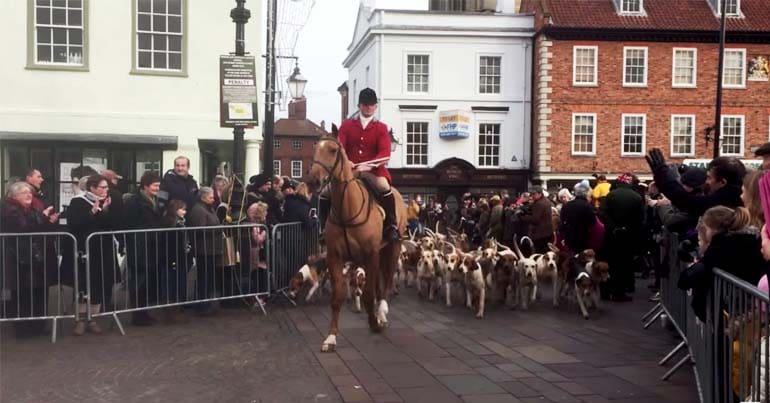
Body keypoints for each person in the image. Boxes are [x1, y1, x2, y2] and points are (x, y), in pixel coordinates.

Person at [318, 88, 400, 243]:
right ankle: (322, 228)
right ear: (359, 106)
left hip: (374, 171)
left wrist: (369, 166)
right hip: (350, 171)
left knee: (384, 187)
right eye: (365, 104)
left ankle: (391, 225)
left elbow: (384, 153)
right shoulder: (347, 125)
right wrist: (346, 161)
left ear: (376, 106)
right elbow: (340, 147)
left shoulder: (381, 128)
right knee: (325, 192)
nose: (368, 107)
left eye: (371, 105)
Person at [678, 206, 765, 321]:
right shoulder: (751, 239)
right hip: (751, 304)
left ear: (712, 229)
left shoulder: (722, 246)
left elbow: (693, 274)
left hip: (739, 309)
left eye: (705, 228)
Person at [0, 182, 58, 336]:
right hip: (18, 257)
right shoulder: (9, 209)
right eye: (24, 193)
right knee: (22, 293)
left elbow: (37, 226)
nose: (28, 195)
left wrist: (47, 221)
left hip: (36, 256)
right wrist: (42, 217)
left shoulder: (33, 209)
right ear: (14, 196)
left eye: (30, 193)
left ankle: (38, 325)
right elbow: (22, 226)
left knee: (39, 290)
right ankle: (23, 328)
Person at [66, 175, 120, 335]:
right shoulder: (78, 202)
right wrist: (92, 211)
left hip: (103, 249)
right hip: (85, 249)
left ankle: (93, 318)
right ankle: (80, 319)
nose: (105, 190)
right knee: (83, 283)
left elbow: (112, 224)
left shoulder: (108, 202)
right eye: (102, 187)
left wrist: (104, 211)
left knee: (98, 283)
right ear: (92, 188)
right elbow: (74, 224)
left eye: (106, 187)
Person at [646, 148, 745, 217]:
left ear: (722, 182)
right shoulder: (739, 197)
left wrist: (664, 178)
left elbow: (689, 202)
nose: (706, 182)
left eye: (709, 178)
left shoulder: (723, 202)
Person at [124, 172, 164, 326]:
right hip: (139, 246)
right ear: (146, 186)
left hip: (152, 246)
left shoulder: (155, 200)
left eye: (158, 186)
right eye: (155, 186)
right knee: (139, 281)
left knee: (148, 280)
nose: (157, 188)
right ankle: (138, 315)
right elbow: (128, 224)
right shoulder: (134, 202)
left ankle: (145, 312)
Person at [599, 173, 645, 302]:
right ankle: (619, 293)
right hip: (628, 237)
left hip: (611, 235)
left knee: (610, 263)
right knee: (624, 264)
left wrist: (613, 227)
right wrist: (628, 229)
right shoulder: (636, 197)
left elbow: (602, 213)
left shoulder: (610, 195)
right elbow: (640, 219)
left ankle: (605, 291)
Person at [187, 187, 223, 315]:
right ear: (203, 197)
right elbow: (198, 230)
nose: (213, 199)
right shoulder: (198, 210)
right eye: (211, 197)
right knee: (204, 277)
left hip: (211, 248)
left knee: (208, 277)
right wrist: (217, 229)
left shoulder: (208, 208)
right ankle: (202, 304)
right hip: (204, 249)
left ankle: (206, 302)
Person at [158, 200, 192, 323]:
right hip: (172, 258)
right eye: (182, 209)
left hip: (179, 257)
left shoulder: (180, 223)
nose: (185, 212)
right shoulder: (171, 224)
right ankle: (171, 311)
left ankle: (177, 308)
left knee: (178, 282)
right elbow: (171, 244)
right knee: (171, 284)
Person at [559, 185, 596, 254]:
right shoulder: (587, 206)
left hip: (569, 237)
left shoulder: (567, 205)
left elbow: (562, 222)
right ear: (586, 194)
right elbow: (593, 223)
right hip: (583, 237)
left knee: (571, 257)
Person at [520, 186, 554, 253]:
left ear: (539, 193)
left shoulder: (539, 204)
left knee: (539, 252)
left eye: (533, 194)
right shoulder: (546, 201)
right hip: (547, 232)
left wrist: (522, 217)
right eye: (531, 194)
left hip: (540, 233)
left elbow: (535, 219)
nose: (532, 196)